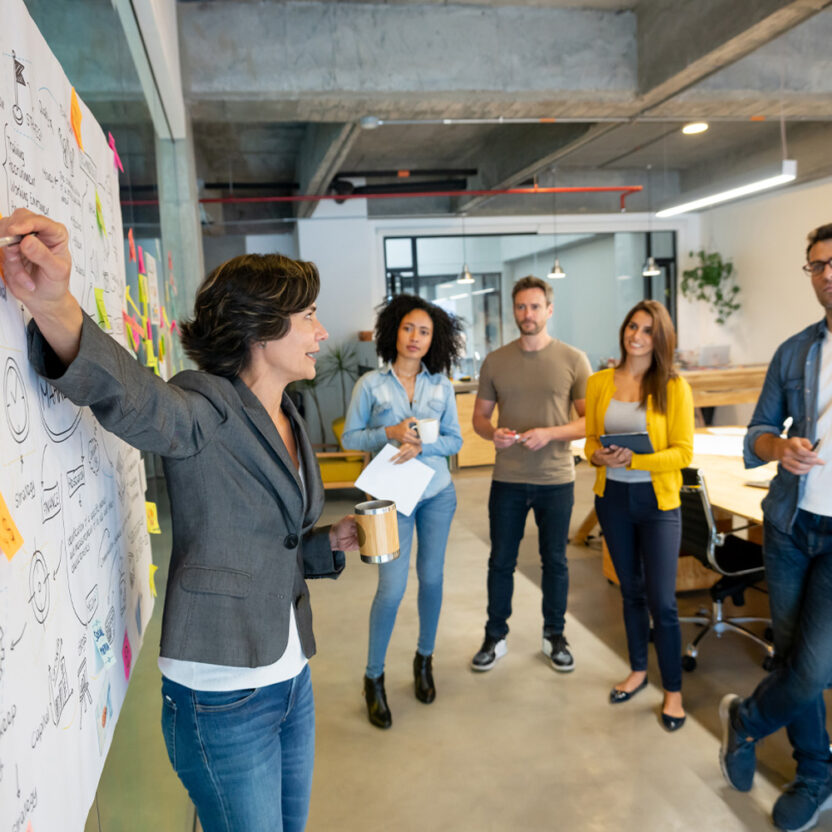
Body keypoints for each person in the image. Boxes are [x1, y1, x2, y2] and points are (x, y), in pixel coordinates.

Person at [0, 208, 358, 832]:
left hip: (290, 675)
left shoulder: (291, 416)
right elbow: (133, 398)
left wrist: (332, 541)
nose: (322, 332)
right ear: (260, 328)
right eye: (307, 317)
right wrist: (55, 306)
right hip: (223, 696)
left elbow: (270, 543)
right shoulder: (202, 409)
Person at [720, 222, 832, 832]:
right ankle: (815, 773)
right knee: (793, 658)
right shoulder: (796, 351)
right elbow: (754, 434)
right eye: (817, 265)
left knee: (813, 667)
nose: (828, 273)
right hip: (791, 526)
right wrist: (777, 446)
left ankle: (746, 721)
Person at [342, 294, 463, 729]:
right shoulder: (370, 386)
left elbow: (455, 441)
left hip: (436, 495)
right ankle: (373, 678)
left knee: (432, 579)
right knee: (391, 591)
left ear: (435, 340)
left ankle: (424, 660)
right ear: (394, 330)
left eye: (425, 331)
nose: (415, 338)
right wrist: (387, 433)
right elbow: (350, 439)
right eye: (409, 328)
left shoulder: (441, 387)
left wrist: (424, 445)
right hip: (392, 499)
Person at [470, 275, 591, 673]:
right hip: (507, 479)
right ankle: (495, 635)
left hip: (556, 479)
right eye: (521, 307)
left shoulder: (573, 360)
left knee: (554, 560)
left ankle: (554, 635)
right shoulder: (495, 361)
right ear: (514, 310)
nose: (527, 314)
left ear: (549, 310)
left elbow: (590, 422)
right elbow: (480, 418)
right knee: (501, 560)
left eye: (535, 306)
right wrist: (495, 435)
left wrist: (550, 434)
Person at [584, 300, 693, 732]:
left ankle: (673, 692)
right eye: (632, 326)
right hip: (612, 500)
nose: (637, 336)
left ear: (660, 338)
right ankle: (637, 670)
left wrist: (636, 462)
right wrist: (597, 455)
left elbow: (684, 452)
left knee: (663, 603)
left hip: (658, 505)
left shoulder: (673, 386)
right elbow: (591, 438)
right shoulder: (599, 382)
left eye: (647, 330)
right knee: (629, 591)